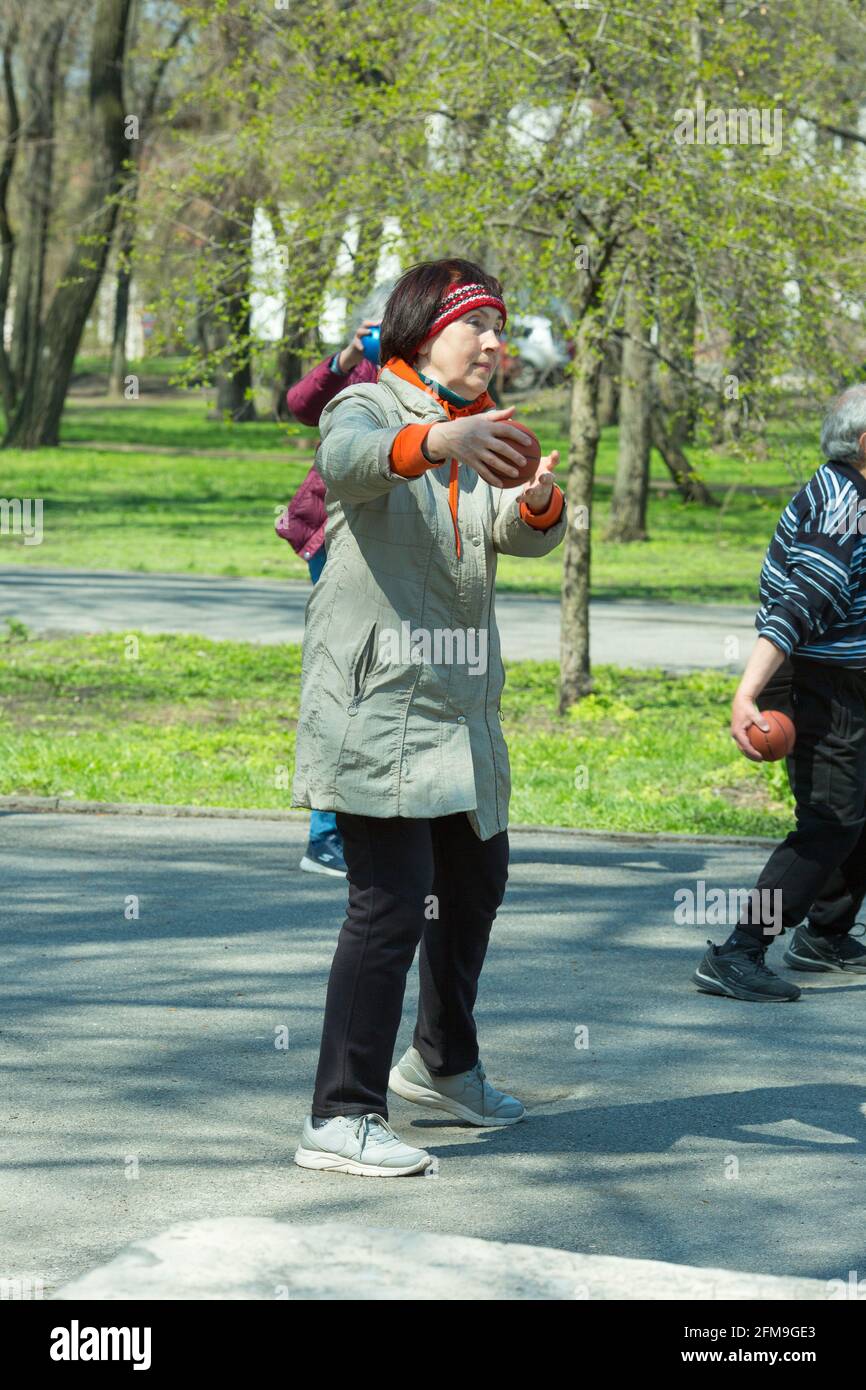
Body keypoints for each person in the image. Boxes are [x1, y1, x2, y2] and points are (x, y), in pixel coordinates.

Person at [290, 257, 567, 1176]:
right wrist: (440, 446)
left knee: (476, 881)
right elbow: (348, 466)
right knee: (389, 903)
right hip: (377, 707)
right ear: (422, 331)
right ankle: (340, 1112)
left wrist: (535, 501)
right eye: (477, 325)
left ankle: (442, 1066)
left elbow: (507, 533)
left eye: (501, 325)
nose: (495, 343)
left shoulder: (472, 429)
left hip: (457, 715)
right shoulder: (369, 404)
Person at [693, 383, 866, 1002]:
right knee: (829, 822)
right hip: (818, 677)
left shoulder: (854, 489)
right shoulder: (843, 502)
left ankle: (826, 935)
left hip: (848, 673)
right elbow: (801, 603)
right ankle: (739, 950)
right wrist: (749, 693)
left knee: (856, 813)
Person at [282, 318, 380, 875]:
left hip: (399, 550)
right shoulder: (365, 373)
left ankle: (376, 830)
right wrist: (344, 356)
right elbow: (299, 404)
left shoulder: (445, 381)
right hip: (338, 541)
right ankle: (325, 837)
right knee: (342, 678)